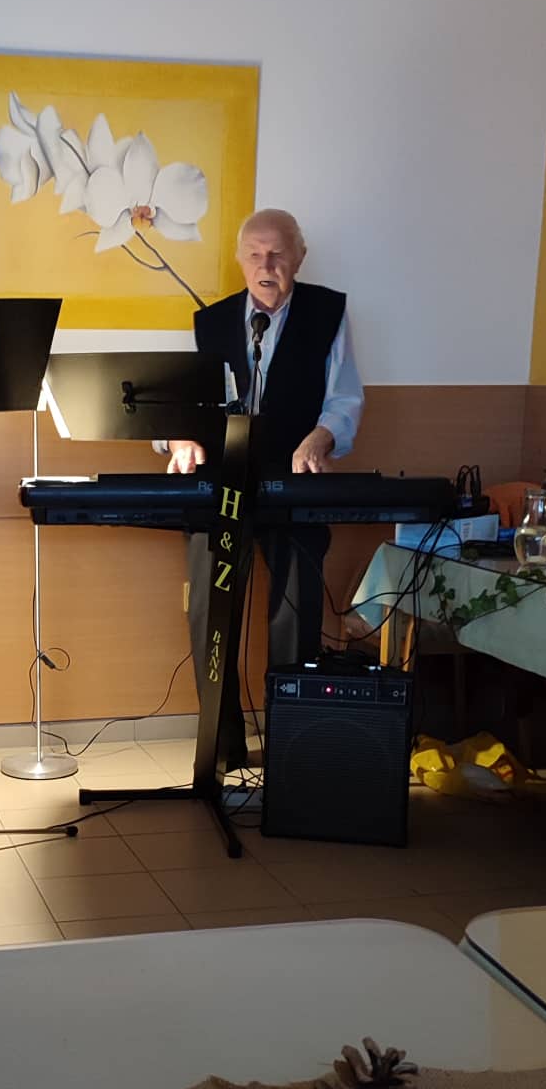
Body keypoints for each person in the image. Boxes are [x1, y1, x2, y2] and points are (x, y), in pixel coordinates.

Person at [171, 208, 365, 760]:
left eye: (278, 253)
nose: (266, 265)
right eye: (255, 254)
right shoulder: (210, 322)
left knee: (296, 611)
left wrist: (321, 438)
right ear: (239, 260)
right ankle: (222, 743)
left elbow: (345, 397)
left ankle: (289, 742)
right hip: (220, 484)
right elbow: (181, 401)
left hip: (294, 481)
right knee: (210, 611)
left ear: (299, 257)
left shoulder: (328, 312)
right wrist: (179, 439)